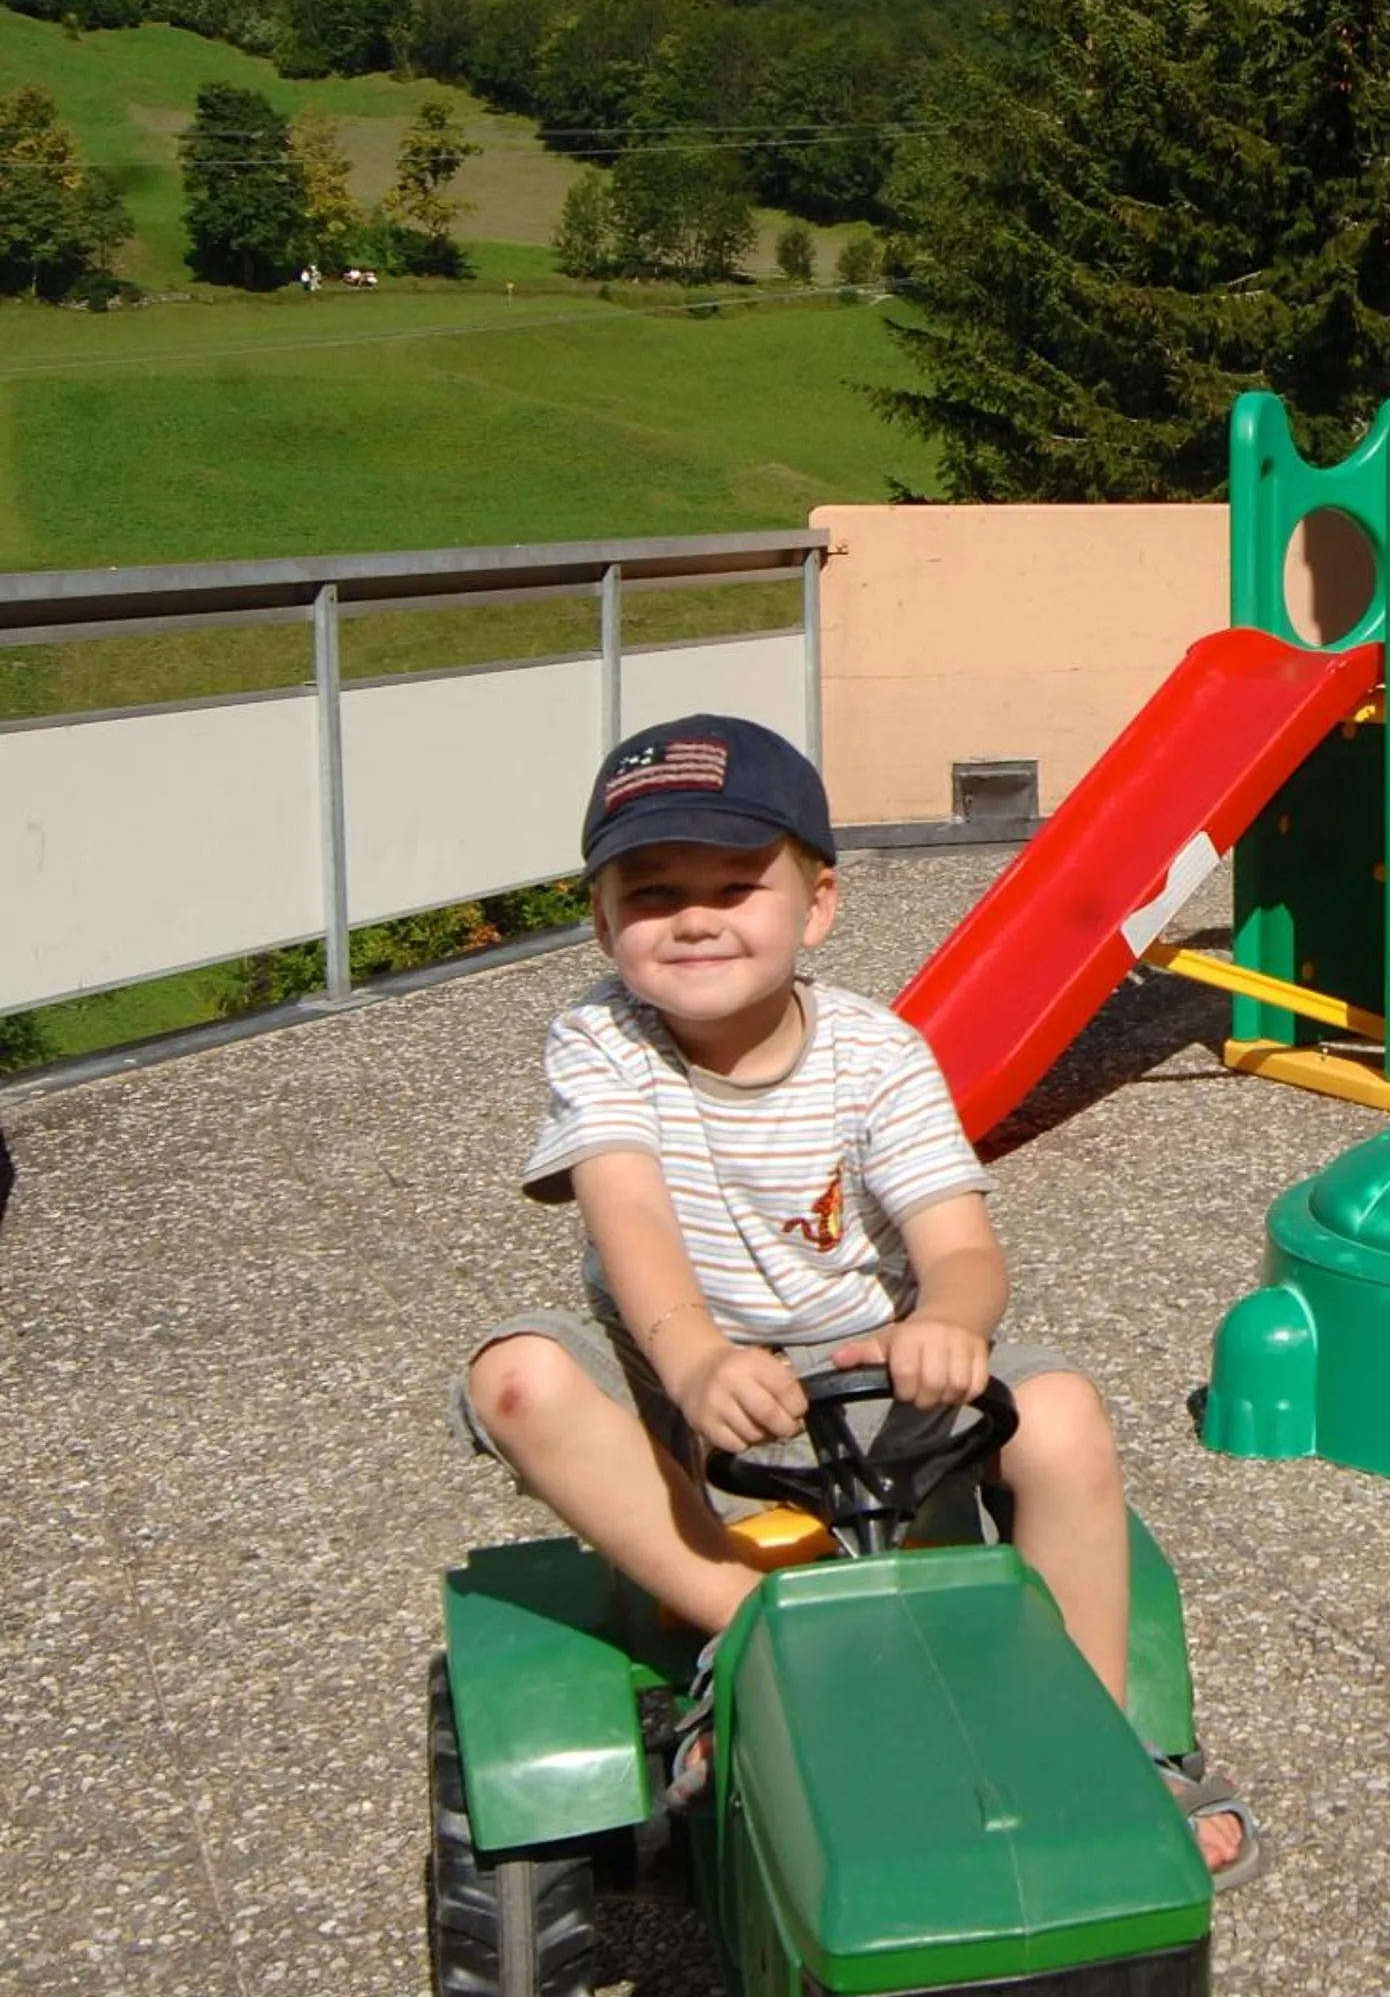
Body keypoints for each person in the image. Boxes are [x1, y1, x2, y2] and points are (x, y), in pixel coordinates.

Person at [454, 713, 1252, 1881]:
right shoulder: (601, 1041)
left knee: (1067, 1408)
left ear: (817, 903)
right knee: (513, 1377)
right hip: (683, 1390)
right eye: (652, 891)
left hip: (873, 1375)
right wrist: (693, 1362)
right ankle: (753, 1631)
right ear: (602, 918)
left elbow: (963, 1247)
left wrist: (950, 1323)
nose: (693, 918)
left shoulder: (877, 1055)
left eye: (736, 885)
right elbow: (622, 1207)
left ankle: (1095, 1732)